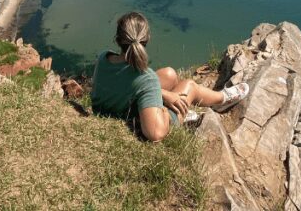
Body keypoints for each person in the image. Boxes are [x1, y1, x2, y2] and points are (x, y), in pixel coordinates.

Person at [90, 11, 250, 142]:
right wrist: (164, 111)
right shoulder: (146, 78)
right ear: (147, 40)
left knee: (170, 74)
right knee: (190, 86)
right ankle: (221, 100)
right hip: (131, 116)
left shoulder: (103, 57)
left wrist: (165, 94)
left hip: (115, 105)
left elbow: (127, 83)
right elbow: (155, 134)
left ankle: (189, 106)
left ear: (117, 39)